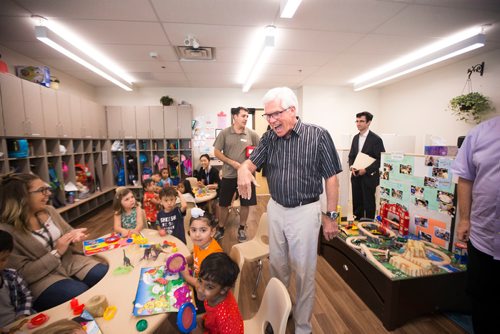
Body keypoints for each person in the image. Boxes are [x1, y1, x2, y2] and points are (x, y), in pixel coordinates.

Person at [237, 87, 342, 334]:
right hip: (276, 209)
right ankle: (279, 315)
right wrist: (243, 169)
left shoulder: (318, 136)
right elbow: (250, 163)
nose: (271, 120)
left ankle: (303, 326)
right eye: (268, 115)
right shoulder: (269, 137)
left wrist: (331, 216)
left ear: (292, 110)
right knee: (277, 268)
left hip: (305, 211)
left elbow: (332, 179)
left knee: (304, 273)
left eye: (276, 114)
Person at [0, 173, 108, 312]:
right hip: (41, 280)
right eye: (42, 190)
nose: (49, 193)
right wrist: (56, 252)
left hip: (70, 262)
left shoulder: (50, 211)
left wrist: (74, 236)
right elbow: (22, 274)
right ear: (22, 197)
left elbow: (68, 231)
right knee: (79, 293)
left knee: (104, 274)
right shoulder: (7, 231)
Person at [451, 115, 500, 334]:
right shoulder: (481, 133)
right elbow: (466, 178)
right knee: (481, 296)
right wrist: (464, 219)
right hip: (483, 236)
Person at [214, 107, 260, 242]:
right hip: (229, 175)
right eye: (243, 116)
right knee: (224, 204)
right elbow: (216, 152)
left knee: (246, 203)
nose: (246, 118)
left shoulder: (252, 134)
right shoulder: (225, 133)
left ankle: (241, 228)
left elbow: (260, 151)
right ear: (235, 117)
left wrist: (249, 165)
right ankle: (221, 227)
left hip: (247, 177)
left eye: (247, 116)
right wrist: (232, 163)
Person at [192, 252, 243, 334]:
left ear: (223, 290)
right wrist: (202, 319)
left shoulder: (227, 319)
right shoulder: (213, 295)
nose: (200, 289)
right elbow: (212, 314)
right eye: (200, 280)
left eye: (209, 287)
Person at [348, 111, 385, 220]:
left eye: (362, 121)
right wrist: (352, 166)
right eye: (357, 121)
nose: (358, 124)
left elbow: (380, 159)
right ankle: (357, 221)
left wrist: (367, 169)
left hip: (369, 177)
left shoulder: (376, 140)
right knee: (357, 201)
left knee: (368, 202)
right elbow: (351, 156)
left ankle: (369, 224)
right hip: (356, 175)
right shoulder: (355, 138)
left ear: (368, 123)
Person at [0, 230, 34, 328]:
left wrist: (22, 314)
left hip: (20, 324)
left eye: (3, 259)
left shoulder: (11, 276)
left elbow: (26, 296)